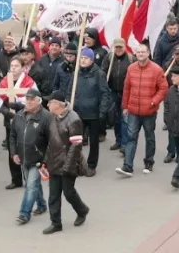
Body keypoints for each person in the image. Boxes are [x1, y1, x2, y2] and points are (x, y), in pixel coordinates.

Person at [43, 91, 90, 235]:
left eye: (50, 102)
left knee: (68, 192)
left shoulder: (74, 119)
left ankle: (82, 210)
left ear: (57, 104)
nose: (47, 104)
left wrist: (67, 167)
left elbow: (76, 146)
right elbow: (50, 142)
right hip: (53, 161)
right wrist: (45, 161)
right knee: (53, 195)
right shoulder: (52, 117)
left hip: (68, 163)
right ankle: (56, 223)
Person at [116, 43, 167, 176]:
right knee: (131, 137)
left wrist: (153, 101)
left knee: (149, 136)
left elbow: (163, 89)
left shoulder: (157, 70)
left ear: (148, 53)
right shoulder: (131, 68)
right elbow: (126, 88)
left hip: (149, 111)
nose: (140, 54)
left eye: (143, 52)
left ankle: (149, 162)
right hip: (133, 110)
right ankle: (127, 166)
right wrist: (125, 106)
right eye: (138, 52)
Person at [10, 87, 52, 225]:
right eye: (27, 99)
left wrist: (45, 159)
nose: (28, 102)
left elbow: (52, 140)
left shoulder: (46, 117)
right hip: (23, 157)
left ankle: (24, 213)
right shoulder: (19, 116)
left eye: (31, 99)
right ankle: (41, 205)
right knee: (33, 185)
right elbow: (12, 135)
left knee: (31, 186)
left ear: (39, 101)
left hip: (38, 160)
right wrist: (14, 153)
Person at [70, 47, 111, 176]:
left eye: (86, 58)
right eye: (82, 57)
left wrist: (102, 112)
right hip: (78, 112)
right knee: (76, 141)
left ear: (92, 60)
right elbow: (70, 91)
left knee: (93, 142)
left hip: (93, 113)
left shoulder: (98, 73)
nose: (83, 60)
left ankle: (91, 165)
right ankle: (78, 164)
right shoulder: (76, 73)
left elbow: (105, 94)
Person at [0, 57, 35, 189]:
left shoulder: (28, 82)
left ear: (23, 68)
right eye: (12, 66)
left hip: (25, 119)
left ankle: (28, 177)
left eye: (16, 66)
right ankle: (16, 179)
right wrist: (6, 111)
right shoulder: (5, 82)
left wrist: (19, 107)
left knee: (25, 148)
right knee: (12, 149)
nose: (13, 68)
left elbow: (35, 99)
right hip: (10, 121)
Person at [105, 38, 134, 151]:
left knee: (125, 119)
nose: (118, 49)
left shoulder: (131, 58)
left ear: (124, 47)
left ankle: (125, 144)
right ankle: (118, 141)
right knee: (116, 119)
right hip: (113, 92)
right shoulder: (109, 58)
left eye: (120, 47)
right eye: (116, 47)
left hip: (127, 93)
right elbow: (103, 71)